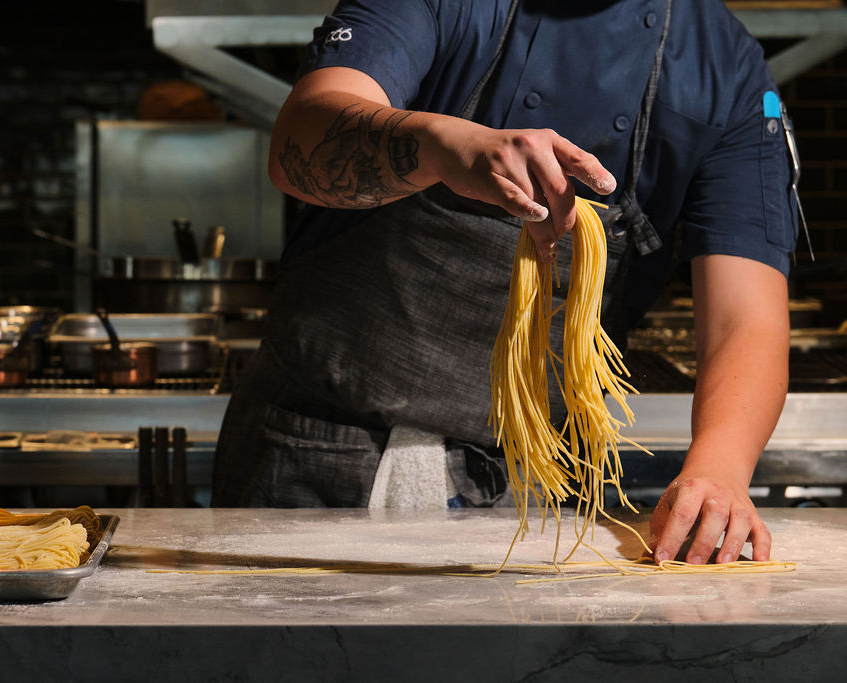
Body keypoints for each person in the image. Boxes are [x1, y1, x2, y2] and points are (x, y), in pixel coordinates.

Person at [212, 0, 799, 567]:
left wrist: (719, 468)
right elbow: (300, 144)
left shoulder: (725, 62)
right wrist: (444, 147)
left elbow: (744, 317)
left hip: (542, 483)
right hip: (324, 460)